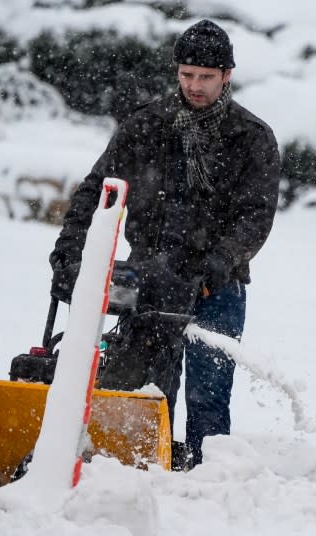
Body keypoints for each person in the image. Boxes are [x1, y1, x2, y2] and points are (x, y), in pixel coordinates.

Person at [49, 19, 280, 471]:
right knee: (140, 389)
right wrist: (69, 253)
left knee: (208, 394)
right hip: (147, 277)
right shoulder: (146, 127)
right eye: (186, 74)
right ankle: (142, 472)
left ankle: (204, 480)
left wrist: (220, 262)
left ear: (227, 75)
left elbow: (256, 215)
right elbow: (98, 191)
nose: (194, 85)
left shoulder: (251, 138)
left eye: (206, 77)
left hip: (217, 286)